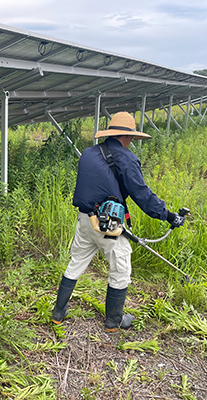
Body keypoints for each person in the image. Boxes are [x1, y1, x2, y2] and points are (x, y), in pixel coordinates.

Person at [52, 111, 185, 332]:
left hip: (86, 220)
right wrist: (168, 215)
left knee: (76, 263)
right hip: (109, 225)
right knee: (121, 269)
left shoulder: (87, 153)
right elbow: (141, 194)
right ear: (129, 136)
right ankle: (114, 321)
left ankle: (58, 312)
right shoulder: (127, 158)